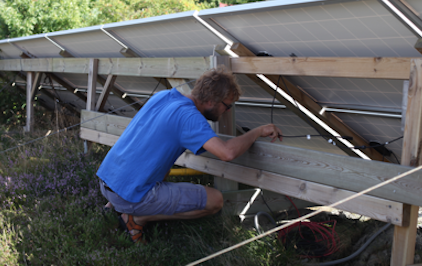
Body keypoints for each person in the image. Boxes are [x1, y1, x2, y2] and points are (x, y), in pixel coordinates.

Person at [96, 68, 282, 244]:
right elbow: (227, 152)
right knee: (215, 200)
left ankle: (112, 206)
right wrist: (258, 131)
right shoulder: (190, 118)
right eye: (227, 105)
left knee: (161, 168)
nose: (228, 111)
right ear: (211, 101)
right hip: (129, 195)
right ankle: (135, 218)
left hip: (107, 181)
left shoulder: (165, 96)